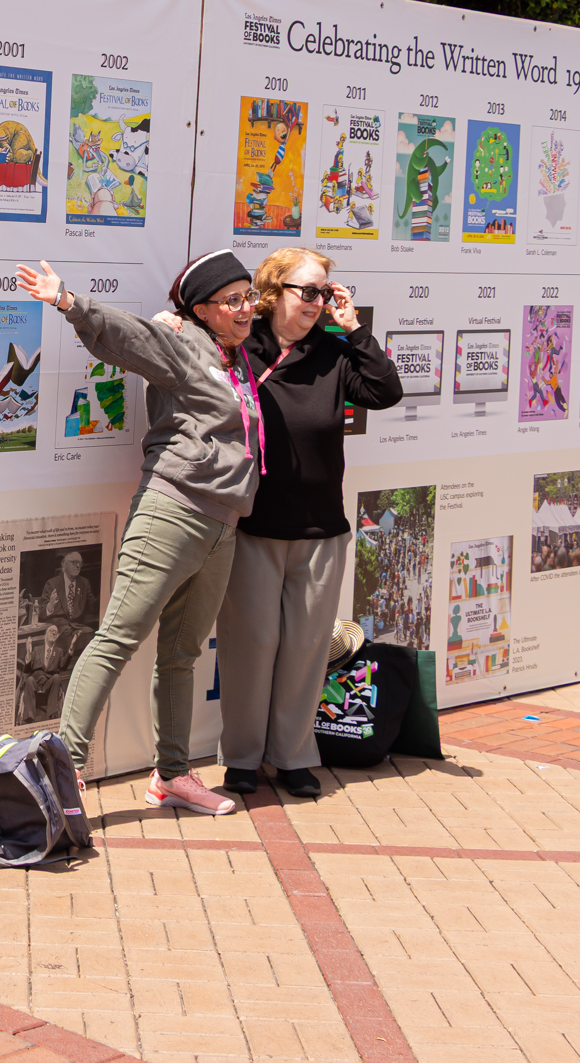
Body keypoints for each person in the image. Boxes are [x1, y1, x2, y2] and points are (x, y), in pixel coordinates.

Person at [14, 250, 265, 816]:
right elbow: (126, 339)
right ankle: (66, 772)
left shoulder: (240, 356)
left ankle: (173, 776)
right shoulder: (181, 342)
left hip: (224, 523)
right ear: (202, 309)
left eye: (249, 296)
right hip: (173, 510)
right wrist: (70, 302)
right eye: (233, 300)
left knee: (180, 654)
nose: (246, 307)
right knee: (116, 639)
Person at [217, 248, 401, 798]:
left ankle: (295, 756)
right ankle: (244, 759)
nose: (319, 302)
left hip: (322, 530)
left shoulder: (334, 353)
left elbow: (385, 392)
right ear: (274, 293)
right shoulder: (240, 350)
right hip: (253, 526)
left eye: (327, 292)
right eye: (309, 292)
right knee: (249, 647)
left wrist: (355, 329)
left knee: (304, 650)